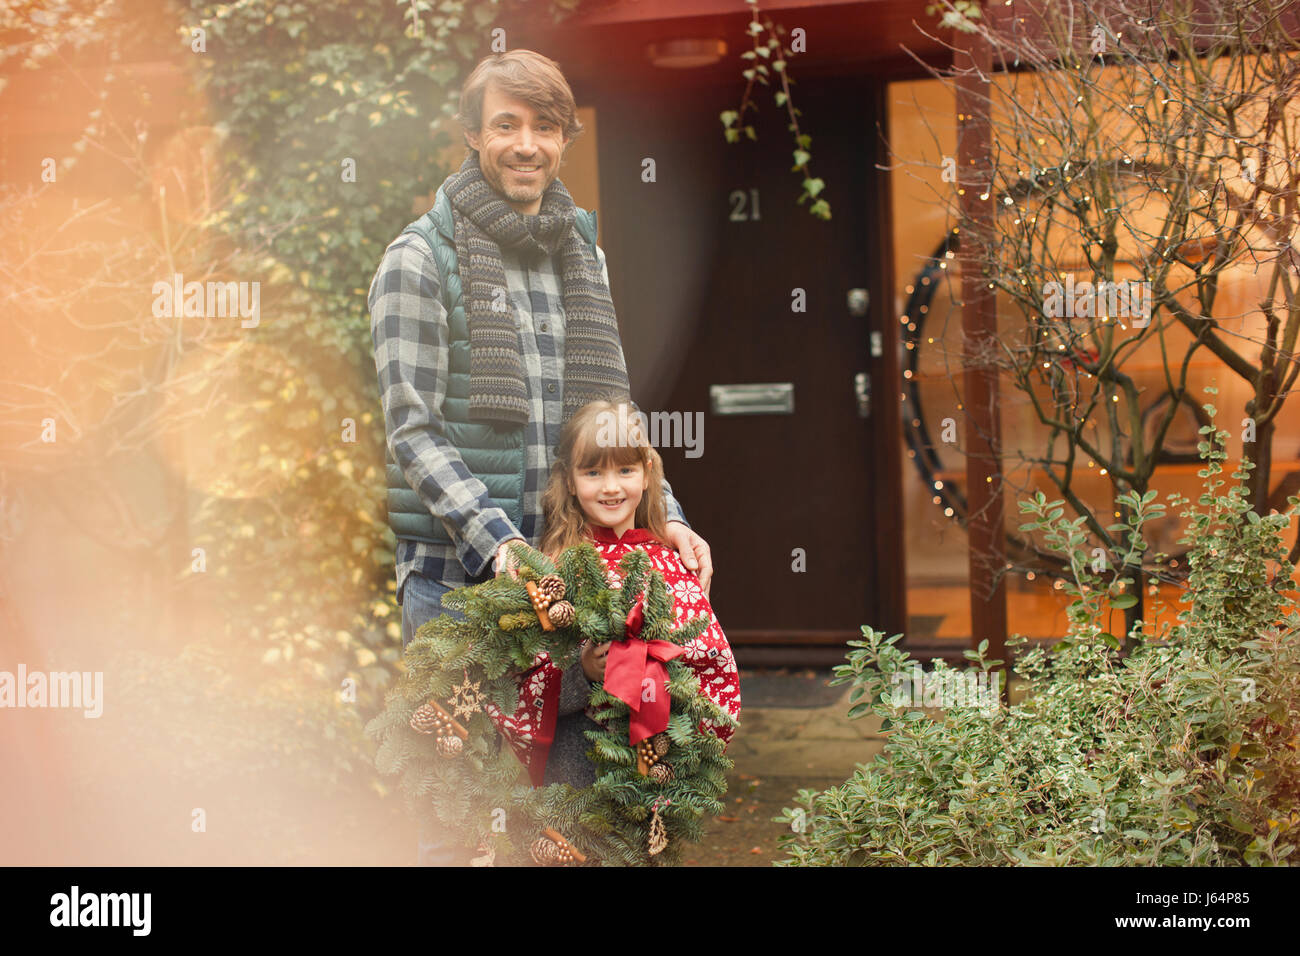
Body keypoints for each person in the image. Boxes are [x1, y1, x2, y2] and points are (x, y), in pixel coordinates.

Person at [367, 49, 714, 863]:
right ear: (472, 135)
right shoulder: (417, 261)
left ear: (565, 138)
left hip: (575, 585)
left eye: (544, 127)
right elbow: (413, 431)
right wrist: (505, 549)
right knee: (457, 822)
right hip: (457, 589)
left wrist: (673, 522)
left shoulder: (581, 257)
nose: (527, 144)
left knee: (564, 827)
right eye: (507, 124)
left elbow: (611, 424)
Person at [486, 400, 741, 788]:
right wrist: (582, 671)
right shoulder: (554, 569)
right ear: (570, 481)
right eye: (592, 472)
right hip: (575, 767)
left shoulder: (670, 566)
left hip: (654, 765)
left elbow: (710, 663)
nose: (610, 487)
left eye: (625, 469)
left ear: (646, 474)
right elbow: (522, 676)